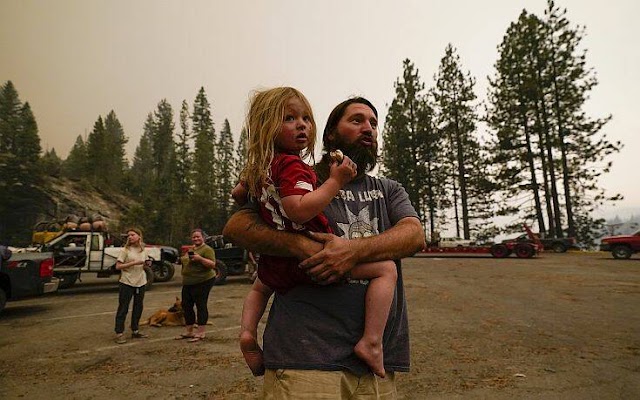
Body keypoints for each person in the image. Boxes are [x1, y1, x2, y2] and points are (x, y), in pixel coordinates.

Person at [224, 97, 425, 398]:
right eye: (356, 120)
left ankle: (371, 340)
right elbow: (236, 227)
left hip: (376, 368)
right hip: (305, 361)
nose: (368, 128)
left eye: (373, 123)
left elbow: (414, 236)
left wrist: (352, 251)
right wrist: (299, 245)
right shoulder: (300, 178)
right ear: (330, 133)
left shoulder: (388, 190)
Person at [176, 228, 218, 342]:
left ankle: (201, 332)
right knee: (186, 305)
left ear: (203, 238)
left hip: (203, 281)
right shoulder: (191, 249)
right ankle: (189, 331)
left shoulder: (207, 249)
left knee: (200, 305)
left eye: (198, 236)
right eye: (194, 237)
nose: (196, 239)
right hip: (188, 282)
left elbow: (212, 264)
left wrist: (200, 259)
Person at [114, 227, 151, 344]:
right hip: (127, 282)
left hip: (140, 282)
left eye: (132, 235)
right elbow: (118, 266)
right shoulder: (125, 251)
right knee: (123, 307)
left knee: (138, 307)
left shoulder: (143, 251)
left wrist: (147, 264)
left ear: (139, 237)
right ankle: (119, 332)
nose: (130, 237)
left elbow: (144, 264)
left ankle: (135, 330)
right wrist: (133, 263)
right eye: (128, 235)